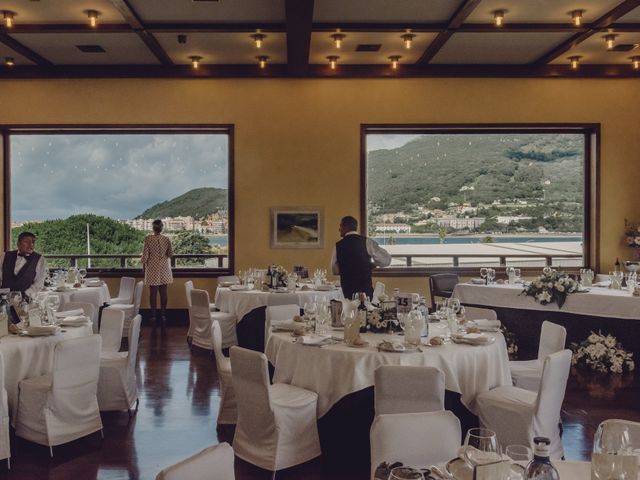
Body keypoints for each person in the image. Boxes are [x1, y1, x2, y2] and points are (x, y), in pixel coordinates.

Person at [331, 215, 391, 300]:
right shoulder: (367, 242)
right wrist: (372, 264)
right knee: (366, 312)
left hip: (347, 292)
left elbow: (335, 270)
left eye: (340, 226)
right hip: (365, 291)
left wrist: (346, 269)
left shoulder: (338, 246)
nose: (339, 229)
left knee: (349, 312)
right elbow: (386, 260)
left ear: (346, 227)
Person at [0, 231, 47, 301]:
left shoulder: (40, 259)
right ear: (18, 244)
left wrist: (25, 295)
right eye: (26, 242)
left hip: (25, 301)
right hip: (4, 300)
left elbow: (39, 283)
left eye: (33, 242)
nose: (31, 245)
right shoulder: (5, 255)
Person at [142, 219, 173, 323]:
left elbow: (145, 256)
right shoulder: (166, 239)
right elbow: (170, 254)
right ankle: (163, 315)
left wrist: (143, 267)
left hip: (152, 268)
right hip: (164, 267)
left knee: (153, 293)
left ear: (153, 228)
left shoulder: (148, 239)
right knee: (164, 292)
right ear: (162, 227)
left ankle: (153, 315)